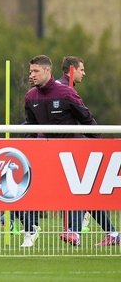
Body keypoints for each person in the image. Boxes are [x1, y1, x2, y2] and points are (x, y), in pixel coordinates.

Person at [25, 55, 104, 247]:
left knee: (77, 194)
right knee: (33, 189)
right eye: (30, 71)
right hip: (48, 152)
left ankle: (78, 232)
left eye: (36, 71)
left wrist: (100, 146)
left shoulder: (66, 92)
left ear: (48, 71)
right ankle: (30, 229)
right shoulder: (30, 97)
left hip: (72, 152)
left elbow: (87, 119)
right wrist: (27, 149)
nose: (32, 75)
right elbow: (32, 128)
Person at [54, 56, 119, 247]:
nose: (84, 73)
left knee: (83, 190)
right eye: (82, 69)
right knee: (83, 191)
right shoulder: (65, 89)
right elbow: (85, 117)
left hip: (70, 146)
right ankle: (82, 231)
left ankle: (79, 231)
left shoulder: (61, 87)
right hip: (69, 147)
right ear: (72, 70)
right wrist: (97, 138)